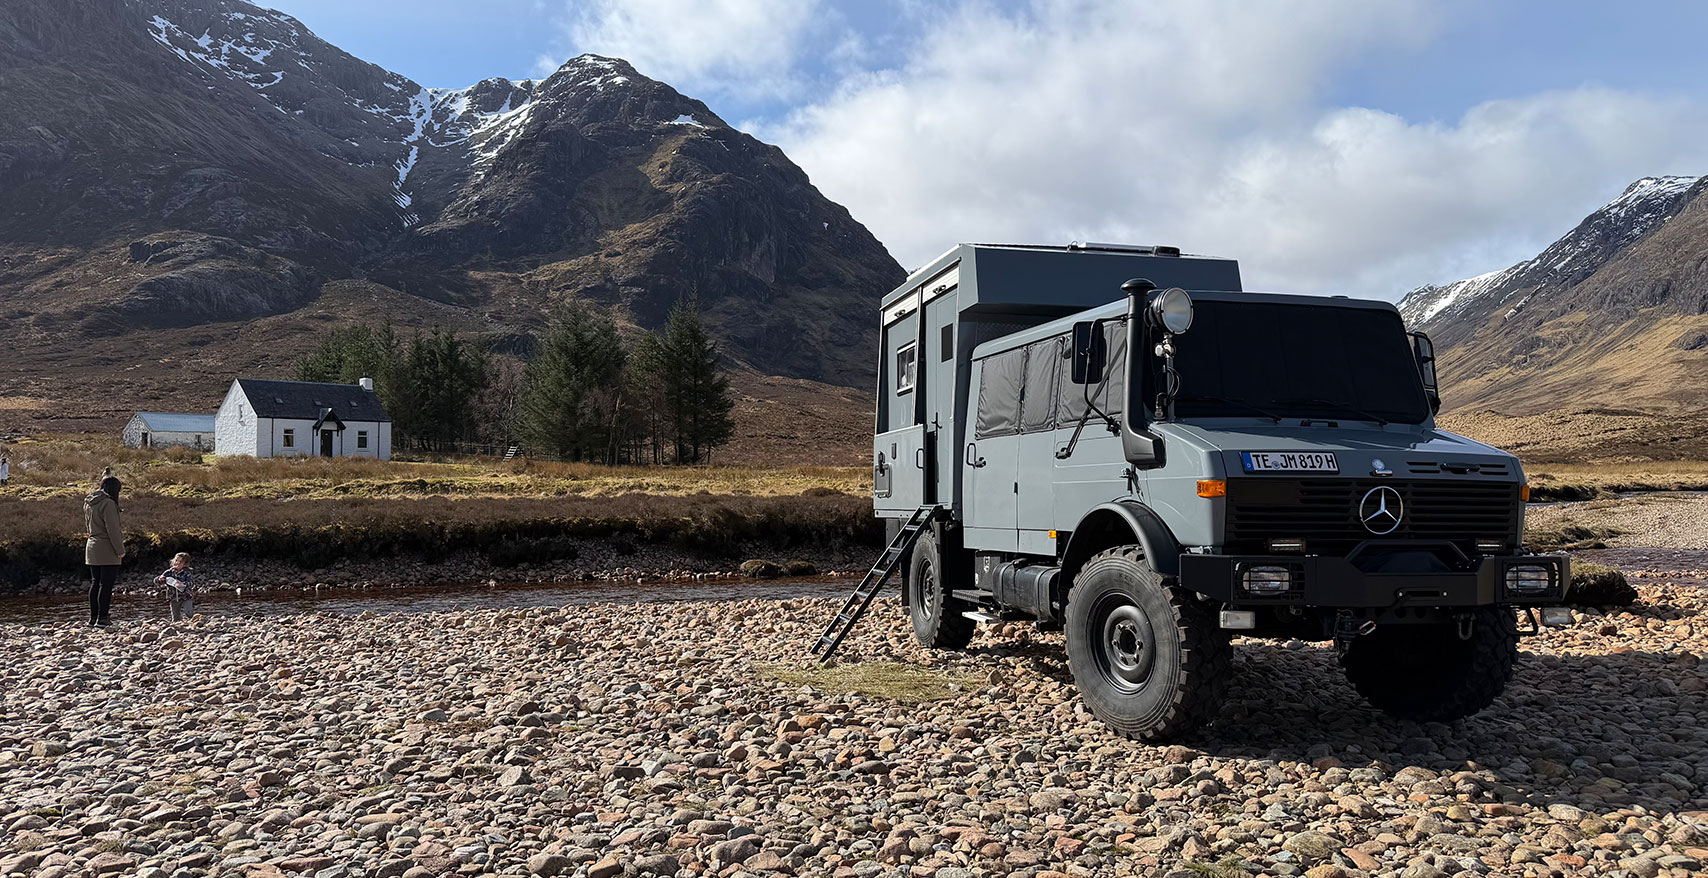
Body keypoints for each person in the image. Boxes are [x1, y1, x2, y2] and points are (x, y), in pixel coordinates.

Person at [85, 473, 124, 627]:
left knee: (95, 583)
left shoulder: (89, 502)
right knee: (106, 585)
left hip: (92, 545)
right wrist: (120, 549)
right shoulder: (108, 504)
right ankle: (103, 618)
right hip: (107, 546)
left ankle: (93, 617)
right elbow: (112, 529)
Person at [155, 552, 195, 622]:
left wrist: (183, 584)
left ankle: (193, 622)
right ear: (173, 561)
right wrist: (160, 579)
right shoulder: (169, 572)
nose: (178, 563)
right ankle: (180, 627)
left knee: (189, 613)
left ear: (185, 564)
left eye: (180, 562)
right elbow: (157, 582)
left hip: (186, 596)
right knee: (176, 617)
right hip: (173, 597)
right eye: (176, 560)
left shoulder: (187, 573)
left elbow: (191, 583)